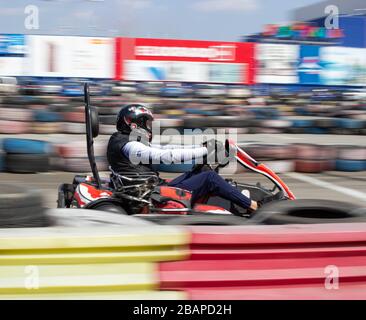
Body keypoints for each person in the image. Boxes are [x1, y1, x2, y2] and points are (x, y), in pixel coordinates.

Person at [107, 104, 259, 214]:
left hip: (151, 189)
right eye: (146, 123)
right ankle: (252, 206)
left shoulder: (129, 142)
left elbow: (167, 149)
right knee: (209, 177)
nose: (149, 128)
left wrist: (200, 149)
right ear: (134, 125)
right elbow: (165, 156)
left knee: (202, 170)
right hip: (151, 196)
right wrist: (206, 149)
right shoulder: (129, 145)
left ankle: (227, 200)